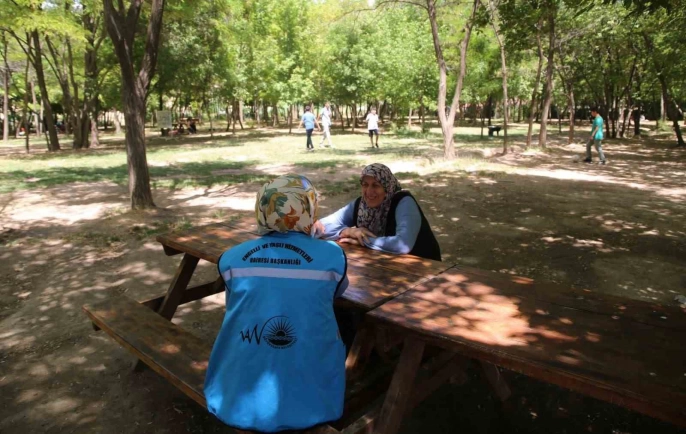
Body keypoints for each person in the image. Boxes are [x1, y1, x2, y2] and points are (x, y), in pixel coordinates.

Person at [204, 174, 348, 432]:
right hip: (312, 398)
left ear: (262, 208)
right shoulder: (334, 256)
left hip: (237, 396)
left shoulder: (231, 259)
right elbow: (337, 292)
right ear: (309, 208)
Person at [317, 163, 441, 261]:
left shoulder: (403, 202)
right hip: (384, 266)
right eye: (365, 185)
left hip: (426, 268)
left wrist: (364, 241)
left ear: (387, 187)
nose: (369, 191)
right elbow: (320, 226)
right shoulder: (361, 205)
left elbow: (403, 244)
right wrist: (348, 231)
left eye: (375, 185)